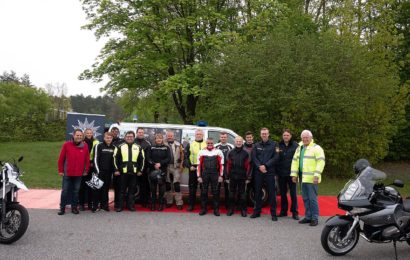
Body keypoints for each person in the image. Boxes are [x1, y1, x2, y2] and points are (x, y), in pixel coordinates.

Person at [291, 130, 325, 226]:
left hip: (312, 179)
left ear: (311, 138)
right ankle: (308, 216)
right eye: (303, 137)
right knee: (305, 198)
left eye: (307, 137)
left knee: (312, 199)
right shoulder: (299, 148)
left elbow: (321, 162)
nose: (305, 139)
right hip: (302, 178)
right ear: (301, 138)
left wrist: (316, 175)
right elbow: (295, 161)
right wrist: (294, 174)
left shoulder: (316, 148)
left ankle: (314, 218)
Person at [57, 129, 90, 215]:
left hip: (79, 173)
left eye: (80, 136)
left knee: (76, 191)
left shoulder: (85, 146)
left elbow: (87, 159)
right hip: (67, 172)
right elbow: (61, 159)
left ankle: (74, 207)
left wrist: (86, 170)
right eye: (77, 135)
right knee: (65, 191)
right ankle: (62, 208)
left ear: (82, 137)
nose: (79, 137)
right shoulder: (66, 145)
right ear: (73, 135)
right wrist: (60, 170)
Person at [250, 127, 280, 221]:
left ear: (268, 134)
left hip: (269, 172)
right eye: (262, 133)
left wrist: (265, 166)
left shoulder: (275, 144)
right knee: (258, 192)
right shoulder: (256, 145)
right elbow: (254, 157)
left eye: (265, 133)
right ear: (260, 134)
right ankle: (257, 211)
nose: (264, 135)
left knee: (271, 192)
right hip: (258, 172)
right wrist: (260, 166)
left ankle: (273, 213)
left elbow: (276, 157)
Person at [114, 131, 144, 212]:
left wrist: (140, 170)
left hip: (134, 173)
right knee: (121, 190)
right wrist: (116, 169)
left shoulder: (138, 147)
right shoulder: (119, 146)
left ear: (134, 137)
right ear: (125, 137)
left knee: (132, 190)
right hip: (122, 172)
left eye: (131, 136)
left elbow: (142, 159)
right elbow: (115, 158)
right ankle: (120, 206)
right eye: (128, 136)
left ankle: (130, 206)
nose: (129, 138)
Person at [197, 137, 224, 216]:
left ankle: (216, 209)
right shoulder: (201, 152)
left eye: (211, 143)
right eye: (208, 143)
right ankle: (203, 209)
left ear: (213, 143)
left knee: (215, 192)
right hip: (205, 173)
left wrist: (221, 176)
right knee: (204, 192)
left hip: (215, 173)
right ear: (206, 143)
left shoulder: (218, 151)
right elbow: (198, 165)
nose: (210, 144)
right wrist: (199, 176)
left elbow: (221, 165)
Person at [276, 129, 299, 220]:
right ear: (282, 136)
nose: (286, 137)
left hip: (292, 174)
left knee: (293, 194)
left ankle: (294, 212)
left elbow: (298, 160)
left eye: (287, 135)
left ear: (290, 136)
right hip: (281, 174)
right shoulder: (278, 145)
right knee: (283, 194)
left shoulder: (296, 146)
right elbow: (276, 158)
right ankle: (283, 211)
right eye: (284, 135)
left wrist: (296, 174)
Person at [225, 136, 251, 217]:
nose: (238, 143)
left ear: (242, 142)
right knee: (231, 194)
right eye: (237, 141)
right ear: (234, 142)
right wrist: (226, 177)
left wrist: (248, 177)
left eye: (240, 141)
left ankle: (243, 210)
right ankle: (231, 209)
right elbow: (227, 165)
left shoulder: (246, 152)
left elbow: (249, 166)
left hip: (242, 177)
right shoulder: (230, 152)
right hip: (232, 176)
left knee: (243, 194)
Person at [92, 132, 117, 212]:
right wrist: (97, 171)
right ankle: (95, 206)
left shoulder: (114, 147)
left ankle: (104, 206)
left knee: (105, 189)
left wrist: (114, 171)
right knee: (97, 189)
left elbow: (114, 161)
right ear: (104, 138)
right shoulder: (98, 146)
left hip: (109, 173)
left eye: (110, 138)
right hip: (99, 172)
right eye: (107, 138)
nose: (108, 139)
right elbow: (95, 159)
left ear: (112, 138)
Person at [147, 133, 172, 211]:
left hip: (162, 170)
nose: (158, 140)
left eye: (160, 138)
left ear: (162, 139)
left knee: (161, 189)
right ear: (155, 139)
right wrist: (154, 164)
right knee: (153, 189)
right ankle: (153, 204)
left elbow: (169, 158)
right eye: (157, 138)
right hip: (152, 170)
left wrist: (160, 164)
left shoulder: (166, 148)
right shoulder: (151, 147)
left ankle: (161, 205)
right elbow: (148, 158)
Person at [184, 129, 207, 211]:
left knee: (203, 188)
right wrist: (189, 166)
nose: (199, 135)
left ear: (203, 135)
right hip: (193, 168)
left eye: (200, 134)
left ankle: (203, 206)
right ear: (195, 135)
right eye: (197, 134)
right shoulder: (190, 144)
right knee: (192, 187)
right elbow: (186, 157)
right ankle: (191, 205)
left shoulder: (207, 144)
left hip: (204, 169)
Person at [79, 128, 99, 211]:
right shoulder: (81, 142)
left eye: (90, 133)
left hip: (93, 166)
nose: (89, 134)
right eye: (87, 133)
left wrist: (93, 163)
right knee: (82, 186)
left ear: (92, 134)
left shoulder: (96, 142)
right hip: (83, 166)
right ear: (84, 134)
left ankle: (91, 204)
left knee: (92, 186)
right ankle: (81, 204)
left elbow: (97, 155)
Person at [164, 130, 184, 210]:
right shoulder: (163, 144)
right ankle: (169, 201)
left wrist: (181, 165)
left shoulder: (179, 144)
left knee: (176, 185)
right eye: (168, 135)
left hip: (176, 167)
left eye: (171, 135)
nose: (170, 137)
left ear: (174, 136)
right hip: (166, 167)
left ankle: (179, 202)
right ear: (166, 136)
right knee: (168, 185)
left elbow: (183, 156)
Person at [215, 132, 234, 209]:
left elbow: (233, 158)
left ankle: (228, 205)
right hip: (218, 170)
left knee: (227, 188)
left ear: (227, 138)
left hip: (227, 170)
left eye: (225, 137)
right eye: (222, 137)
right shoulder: (216, 146)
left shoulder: (231, 146)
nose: (223, 138)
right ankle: (216, 205)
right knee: (217, 188)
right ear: (220, 137)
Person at [134, 128, 151, 208]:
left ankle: (144, 201)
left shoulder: (147, 143)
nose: (140, 134)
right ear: (136, 133)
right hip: (133, 168)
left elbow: (148, 157)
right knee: (133, 186)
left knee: (144, 186)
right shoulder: (133, 142)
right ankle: (132, 202)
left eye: (142, 132)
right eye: (139, 132)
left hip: (144, 169)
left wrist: (146, 168)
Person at [111, 126, 123, 211]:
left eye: (116, 131)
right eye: (113, 131)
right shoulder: (107, 140)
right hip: (107, 167)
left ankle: (117, 203)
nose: (115, 132)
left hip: (117, 167)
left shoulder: (121, 141)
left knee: (118, 186)